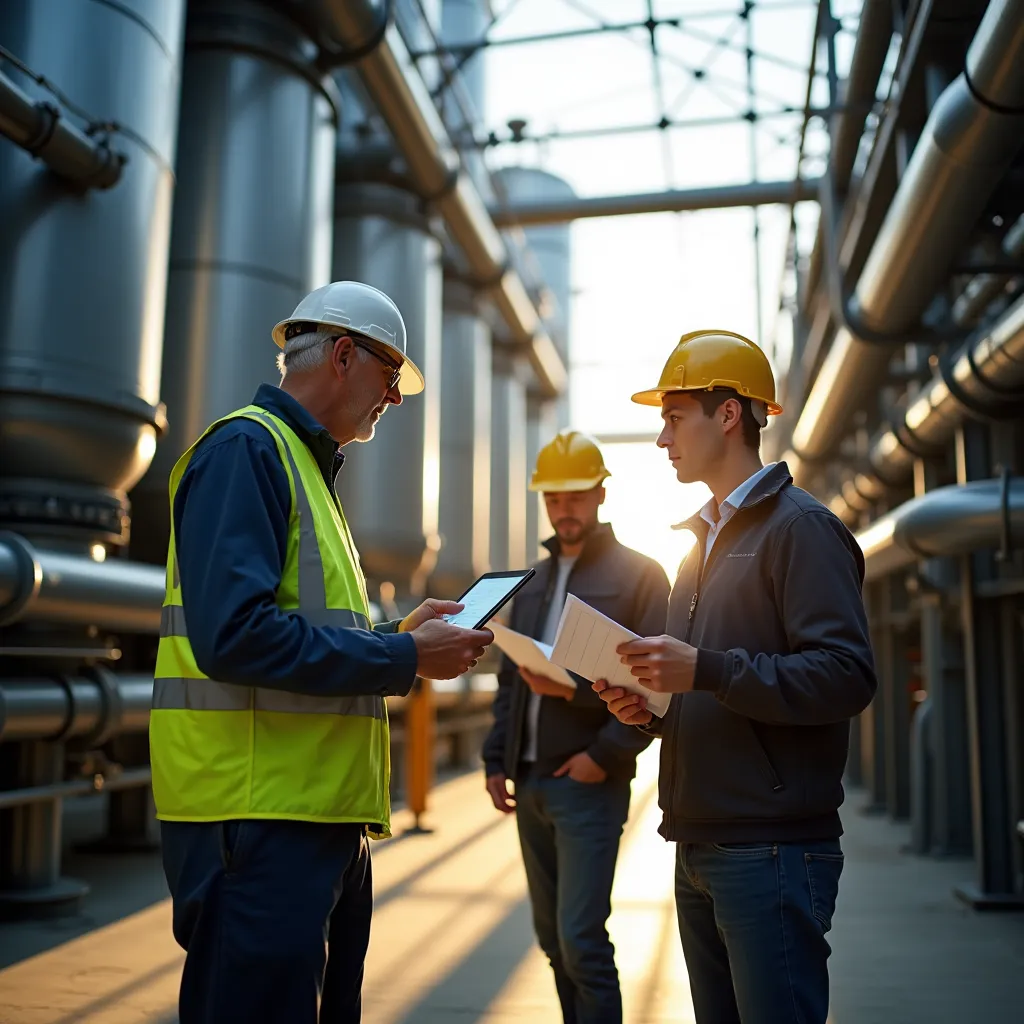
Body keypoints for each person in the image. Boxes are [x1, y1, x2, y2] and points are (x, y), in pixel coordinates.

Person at [149, 281, 493, 1024]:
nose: (396, 399)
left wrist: (394, 641)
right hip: (255, 824)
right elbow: (233, 636)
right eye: (391, 375)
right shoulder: (247, 450)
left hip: (313, 820)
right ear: (343, 355)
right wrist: (402, 662)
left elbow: (304, 631)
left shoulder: (307, 469)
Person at [593, 330, 877, 1024]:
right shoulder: (698, 548)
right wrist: (650, 710)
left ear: (728, 414)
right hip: (697, 842)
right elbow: (704, 685)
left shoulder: (800, 530)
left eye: (673, 416)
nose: (662, 439)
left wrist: (707, 669)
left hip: (773, 850)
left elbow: (846, 675)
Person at [482, 429, 671, 1024]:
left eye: (576, 496)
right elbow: (512, 679)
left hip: (588, 782)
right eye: (554, 498)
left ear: (600, 495)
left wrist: (605, 757)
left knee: (583, 943)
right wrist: (494, 759)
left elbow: (656, 691)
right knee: (553, 944)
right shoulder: (532, 580)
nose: (564, 508)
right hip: (531, 780)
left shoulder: (642, 576)